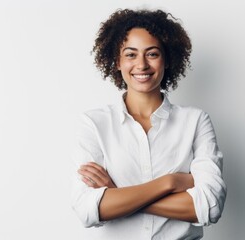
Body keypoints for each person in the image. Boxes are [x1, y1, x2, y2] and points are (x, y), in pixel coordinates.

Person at [71, 9, 226, 239]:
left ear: (167, 59)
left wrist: (117, 195)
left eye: (152, 54)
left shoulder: (195, 121)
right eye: (131, 54)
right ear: (117, 61)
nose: (141, 65)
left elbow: (210, 206)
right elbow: (87, 209)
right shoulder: (95, 123)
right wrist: (170, 182)